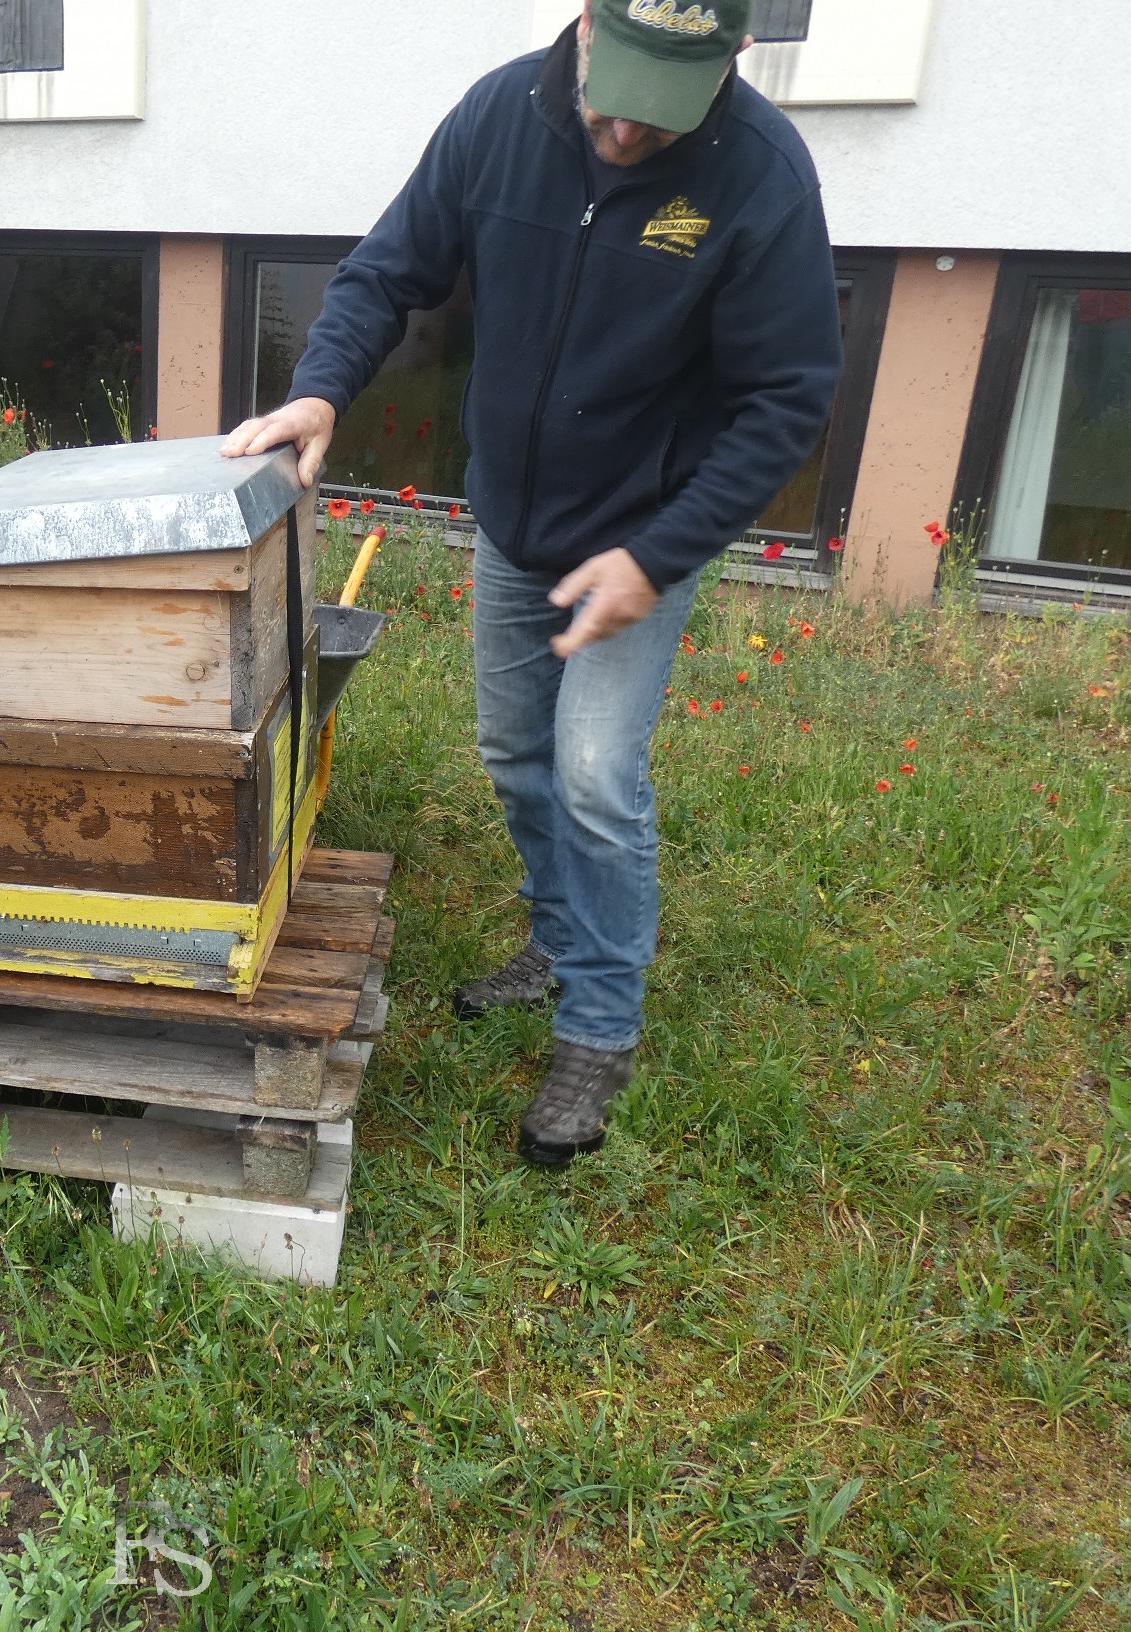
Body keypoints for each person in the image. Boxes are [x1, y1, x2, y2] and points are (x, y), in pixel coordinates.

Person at [223, 0, 841, 1167]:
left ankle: (599, 1026)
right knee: (516, 752)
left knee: (599, 775)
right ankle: (560, 935)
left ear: (734, 57)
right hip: (512, 521)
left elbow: (785, 400)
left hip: (639, 535)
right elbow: (383, 270)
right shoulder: (499, 115)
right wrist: (323, 387)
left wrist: (659, 556)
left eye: (659, 112)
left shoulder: (763, 177)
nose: (621, 133)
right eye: (615, 93)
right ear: (587, 25)